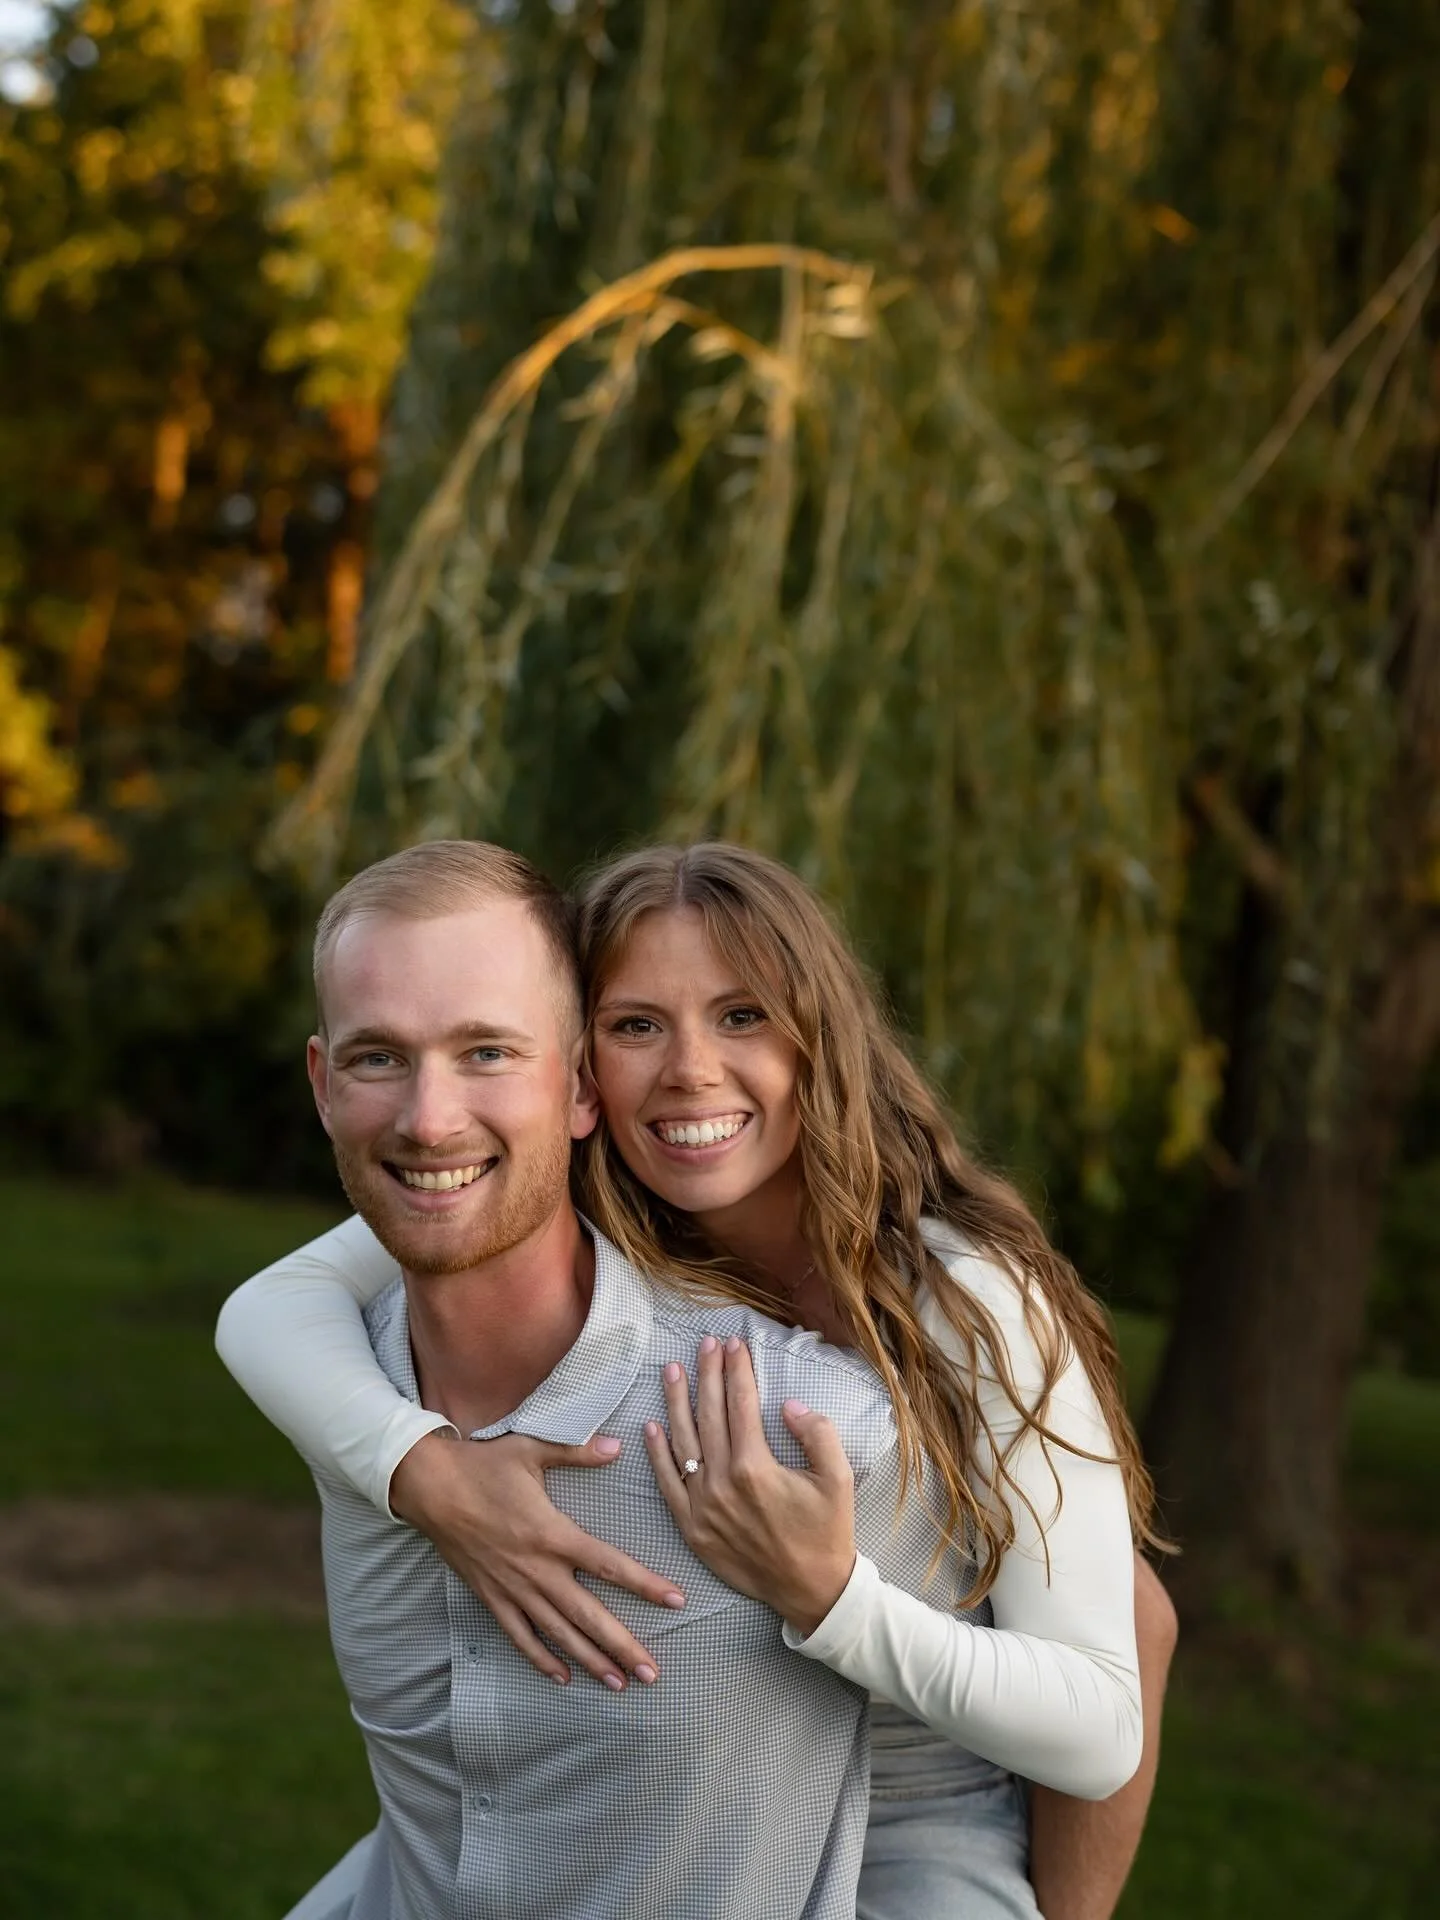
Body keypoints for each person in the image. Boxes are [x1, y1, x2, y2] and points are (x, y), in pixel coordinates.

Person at [219, 840, 1161, 1920]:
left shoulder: (963, 1301)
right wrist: (425, 1472)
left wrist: (830, 1596)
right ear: (583, 1068)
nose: (690, 1070)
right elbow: (269, 1311)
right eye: (636, 1025)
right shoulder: (577, 1191)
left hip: (915, 1798)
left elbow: (1125, 1665)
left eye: (743, 1015)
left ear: (821, 1037)